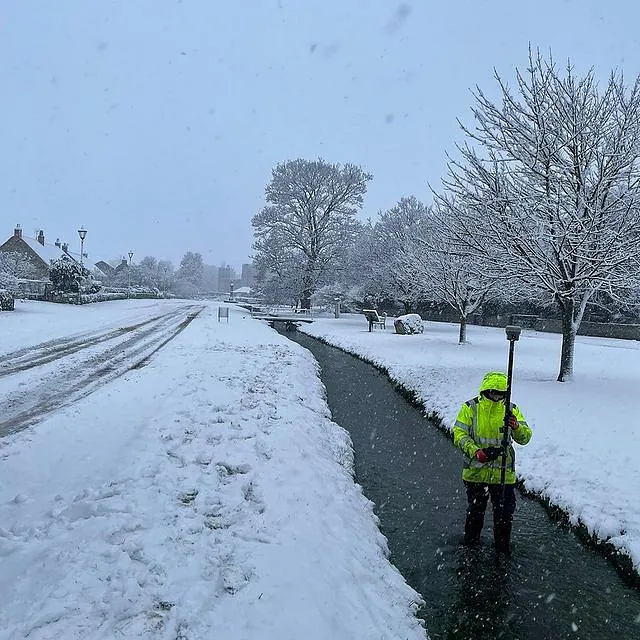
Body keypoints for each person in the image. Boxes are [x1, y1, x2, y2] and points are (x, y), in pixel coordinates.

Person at [453, 371, 532, 553]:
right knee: (475, 513)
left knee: (504, 516)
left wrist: (516, 427)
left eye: (500, 393)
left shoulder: (511, 409)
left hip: (503, 474)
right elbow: (459, 434)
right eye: (492, 392)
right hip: (476, 473)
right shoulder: (470, 408)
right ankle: (471, 548)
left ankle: (501, 551)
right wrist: (476, 452)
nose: (496, 397)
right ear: (485, 391)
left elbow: (525, 437)